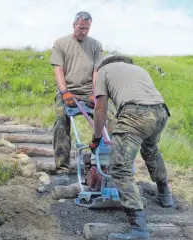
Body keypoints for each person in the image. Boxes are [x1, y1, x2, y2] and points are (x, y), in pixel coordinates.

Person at [89, 53, 174, 240]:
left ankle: (139, 229)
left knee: (120, 169)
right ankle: (165, 195)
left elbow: (101, 108)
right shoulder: (138, 69)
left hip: (135, 114)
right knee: (150, 150)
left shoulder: (103, 70)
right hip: (160, 112)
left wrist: (96, 138)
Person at [50, 11, 104, 186]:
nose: (84, 32)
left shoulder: (96, 45)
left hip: (89, 92)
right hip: (68, 91)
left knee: (108, 121)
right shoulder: (61, 43)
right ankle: (62, 169)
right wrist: (64, 92)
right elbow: (58, 69)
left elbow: (97, 70)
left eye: (87, 29)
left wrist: (95, 92)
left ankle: (101, 164)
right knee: (60, 122)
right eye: (81, 28)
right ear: (74, 25)